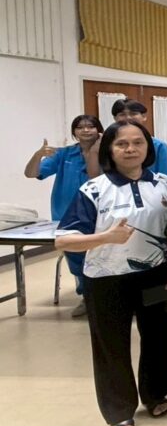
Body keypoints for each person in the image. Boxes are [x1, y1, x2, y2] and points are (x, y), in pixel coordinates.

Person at [54, 122, 167, 426]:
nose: (131, 149)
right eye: (122, 144)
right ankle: (119, 410)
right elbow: (63, 240)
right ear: (109, 149)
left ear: (148, 147)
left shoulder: (164, 184)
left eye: (138, 142)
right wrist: (106, 237)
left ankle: (155, 394)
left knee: (159, 338)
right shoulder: (94, 189)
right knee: (111, 345)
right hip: (106, 278)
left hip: (155, 274)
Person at [24, 113, 102, 317]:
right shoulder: (64, 154)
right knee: (76, 256)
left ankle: (103, 297)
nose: (86, 130)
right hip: (67, 215)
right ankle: (86, 297)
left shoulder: (108, 152)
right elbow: (31, 174)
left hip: (99, 213)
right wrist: (38, 155)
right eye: (80, 127)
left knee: (101, 255)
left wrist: (95, 152)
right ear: (74, 132)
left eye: (90, 126)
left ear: (99, 130)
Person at [87, 99, 167, 178]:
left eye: (133, 113)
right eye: (122, 114)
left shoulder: (159, 146)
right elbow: (94, 176)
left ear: (144, 116)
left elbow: (166, 178)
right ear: (115, 118)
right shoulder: (106, 143)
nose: (128, 117)